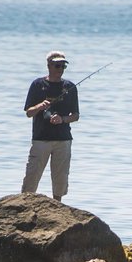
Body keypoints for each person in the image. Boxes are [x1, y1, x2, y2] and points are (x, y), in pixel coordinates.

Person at [22, 50, 80, 201]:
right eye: (57, 66)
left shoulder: (70, 87)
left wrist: (62, 120)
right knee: (32, 177)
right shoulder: (37, 85)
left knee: (60, 179)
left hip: (63, 140)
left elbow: (76, 116)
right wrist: (41, 106)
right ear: (49, 66)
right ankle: (23, 205)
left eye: (62, 66)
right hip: (41, 139)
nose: (60, 69)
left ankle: (57, 208)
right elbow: (29, 112)